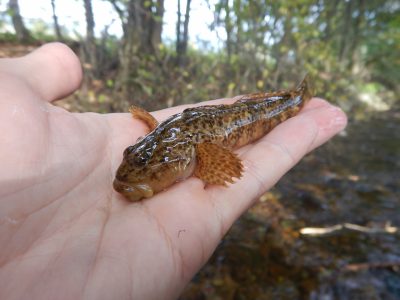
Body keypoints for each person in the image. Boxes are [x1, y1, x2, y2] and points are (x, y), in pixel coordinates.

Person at [0, 43, 347, 299]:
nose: (130, 177)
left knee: (283, 110)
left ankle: (298, 96)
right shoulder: (159, 138)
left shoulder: (188, 146)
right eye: (134, 158)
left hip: (255, 114)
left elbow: (225, 166)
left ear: (184, 158)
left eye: (152, 170)